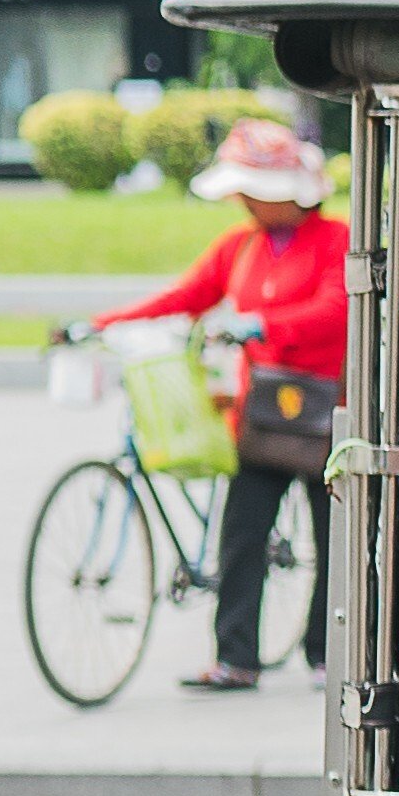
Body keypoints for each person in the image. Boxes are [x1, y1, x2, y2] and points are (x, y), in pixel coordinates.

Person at [85, 120, 349, 691]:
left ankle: (328, 653)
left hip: (330, 416)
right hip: (262, 417)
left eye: (254, 189)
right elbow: (184, 296)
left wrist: (261, 324)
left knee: (336, 540)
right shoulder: (240, 247)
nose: (244, 200)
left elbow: (338, 310)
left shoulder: (337, 241)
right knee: (242, 531)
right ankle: (236, 657)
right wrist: (100, 324)